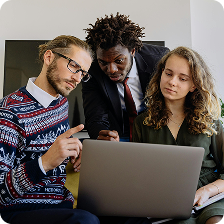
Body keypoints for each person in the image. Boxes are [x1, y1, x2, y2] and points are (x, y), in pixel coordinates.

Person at [0, 35, 100, 224]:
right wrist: (44, 163)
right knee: (86, 221)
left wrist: (73, 150)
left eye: (83, 73)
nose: (78, 78)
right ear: (49, 57)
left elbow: (51, 146)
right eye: (74, 66)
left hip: (60, 205)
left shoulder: (61, 103)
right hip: (20, 210)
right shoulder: (8, 112)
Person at [133, 46, 224, 224]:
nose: (172, 82)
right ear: (160, 74)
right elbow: (139, 175)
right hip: (167, 199)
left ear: (194, 85)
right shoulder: (142, 123)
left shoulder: (210, 122)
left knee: (215, 220)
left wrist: (207, 191)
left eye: (183, 78)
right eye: (168, 74)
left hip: (210, 195)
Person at [82, 13, 169, 142]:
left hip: (156, 130)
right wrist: (103, 136)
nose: (111, 70)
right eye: (103, 62)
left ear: (132, 51)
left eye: (119, 60)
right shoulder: (91, 70)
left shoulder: (158, 59)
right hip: (120, 133)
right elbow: (96, 117)